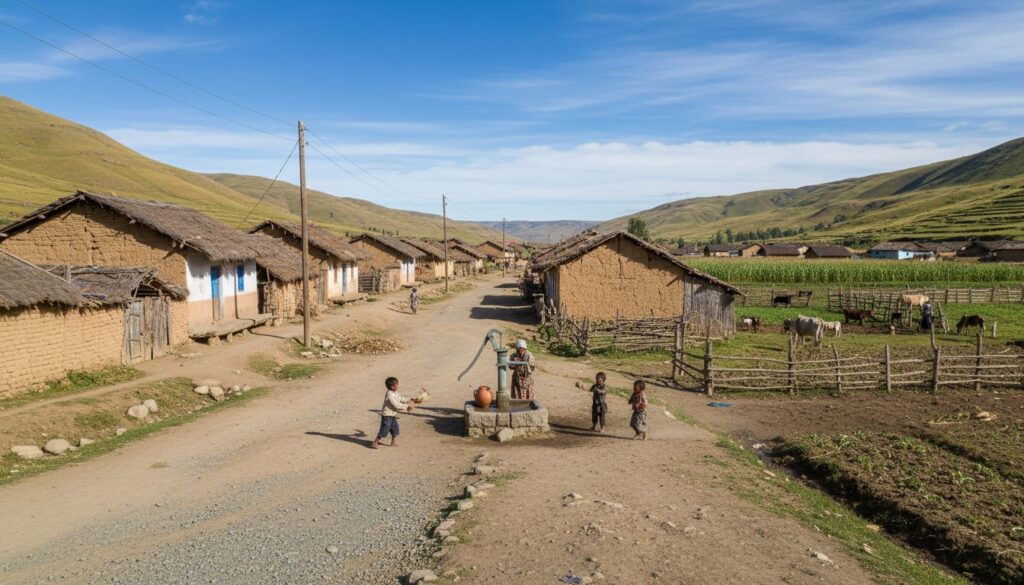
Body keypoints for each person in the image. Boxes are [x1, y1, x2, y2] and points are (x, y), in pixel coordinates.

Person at [373, 376, 413, 449]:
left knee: (395, 429)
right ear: (392, 387)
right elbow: (396, 405)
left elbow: (401, 398)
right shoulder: (389, 394)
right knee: (384, 430)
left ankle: (393, 442)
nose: (398, 385)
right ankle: (375, 442)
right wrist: (407, 405)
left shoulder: (395, 393)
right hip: (387, 415)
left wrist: (409, 399)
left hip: (392, 415)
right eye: (396, 384)